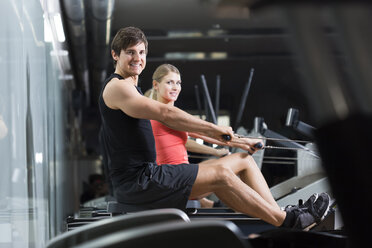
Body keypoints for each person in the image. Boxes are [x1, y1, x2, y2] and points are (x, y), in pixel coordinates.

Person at [98, 26, 330, 229]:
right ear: (115, 55)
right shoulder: (117, 87)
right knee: (221, 174)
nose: (137, 58)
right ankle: (290, 220)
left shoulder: (131, 89)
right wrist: (217, 130)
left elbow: (196, 130)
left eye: (141, 52)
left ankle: (284, 216)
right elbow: (166, 113)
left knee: (243, 161)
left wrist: (240, 141)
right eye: (130, 52)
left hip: (148, 178)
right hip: (141, 182)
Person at [146, 64, 229, 207]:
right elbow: (198, 134)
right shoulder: (161, 114)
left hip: (182, 172)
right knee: (238, 164)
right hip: (175, 178)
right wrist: (216, 150)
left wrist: (236, 142)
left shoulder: (172, 113)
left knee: (235, 165)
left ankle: (221, 207)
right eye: (169, 82)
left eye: (177, 83)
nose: (175, 87)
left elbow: (202, 133)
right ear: (156, 86)